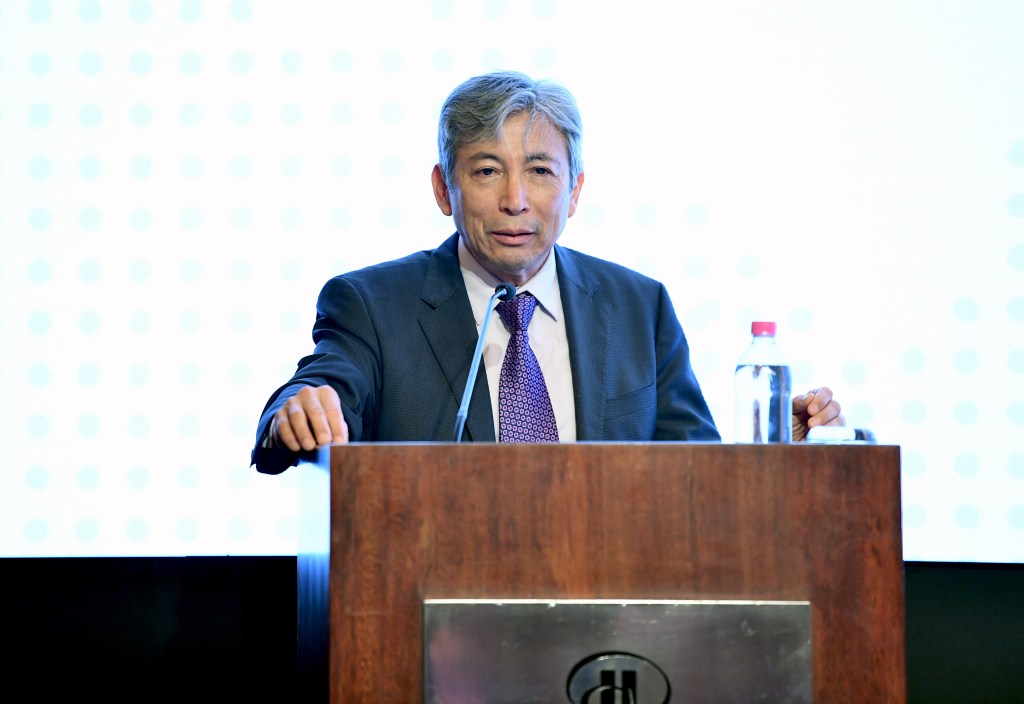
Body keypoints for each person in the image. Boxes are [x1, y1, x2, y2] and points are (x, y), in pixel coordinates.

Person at [251, 71, 843, 474]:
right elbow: (323, 387)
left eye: (539, 172)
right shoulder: (373, 305)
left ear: (575, 190)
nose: (515, 201)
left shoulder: (639, 308)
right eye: (487, 171)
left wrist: (778, 452)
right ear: (443, 189)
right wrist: (297, 410)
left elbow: (696, 475)